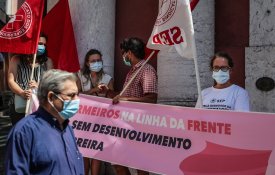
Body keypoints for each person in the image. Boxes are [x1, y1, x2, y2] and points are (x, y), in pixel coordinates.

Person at [5, 69, 84, 175]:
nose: (77, 99)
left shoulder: (67, 128)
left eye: (77, 94)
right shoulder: (24, 132)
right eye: (71, 95)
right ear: (51, 97)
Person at [112, 37, 158, 175]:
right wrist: (108, 93)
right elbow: (124, 96)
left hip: (141, 126)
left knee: (141, 166)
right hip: (125, 125)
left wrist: (125, 99)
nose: (123, 57)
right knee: (117, 162)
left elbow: (151, 99)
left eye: (123, 53)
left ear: (130, 53)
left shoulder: (146, 70)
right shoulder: (132, 71)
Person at [77, 49, 114, 175]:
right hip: (83, 120)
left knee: (96, 151)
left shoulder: (107, 78)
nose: (97, 63)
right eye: (93, 61)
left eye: (99, 60)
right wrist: (93, 90)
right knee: (84, 152)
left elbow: (112, 99)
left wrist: (108, 91)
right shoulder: (80, 76)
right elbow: (75, 95)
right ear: (87, 63)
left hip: (101, 120)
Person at [7, 33, 53, 125]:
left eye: (44, 45)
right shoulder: (16, 59)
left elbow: (51, 82)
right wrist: (22, 93)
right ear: (32, 43)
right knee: (20, 133)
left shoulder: (47, 62)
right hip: (19, 104)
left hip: (39, 104)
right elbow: (11, 81)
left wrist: (39, 85)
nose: (42, 47)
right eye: (40, 44)